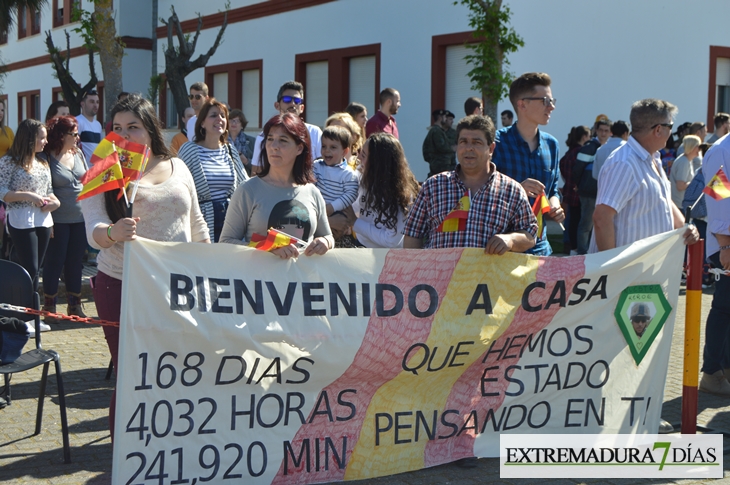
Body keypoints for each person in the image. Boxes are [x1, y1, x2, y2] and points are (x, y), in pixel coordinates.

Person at [80, 94, 210, 437]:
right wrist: (111, 232)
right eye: (117, 128)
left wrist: (210, 269)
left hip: (178, 287)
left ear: (151, 130)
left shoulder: (178, 166)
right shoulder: (105, 165)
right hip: (122, 284)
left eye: (133, 127)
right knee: (133, 376)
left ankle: (170, 450)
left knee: (178, 372)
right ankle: (128, 456)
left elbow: (197, 225)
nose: (124, 134)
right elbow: (92, 228)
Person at [590, 98, 699, 433]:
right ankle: (606, 424)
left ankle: (631, 418)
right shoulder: (624, 162)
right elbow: (602, 216)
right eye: (669, 129)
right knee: (618, 353)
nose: (673, 136)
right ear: (656, 129)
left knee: (637, 351)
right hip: (626, 280)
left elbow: (663, 201)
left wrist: (683, 227)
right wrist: (613, 270)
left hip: (646, 280)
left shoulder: (649, 159)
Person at [403, 114, 537, 252]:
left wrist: (510, 240)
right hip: (440, 273)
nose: (468, 148)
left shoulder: (512, 190)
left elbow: (530, 234)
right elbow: (413, 234)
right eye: (463, 142)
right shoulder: (433, 186)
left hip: (488, 273)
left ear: (491, 149)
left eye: (476, 142)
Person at [220, 113, 334, 259]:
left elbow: (327, 236)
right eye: (270, 139)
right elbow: (225, 242)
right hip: (258, 280)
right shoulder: (247, 190)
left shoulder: (312, 192)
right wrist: (267, 249)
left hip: (303, 280)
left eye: (283, 140)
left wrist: (325, 242)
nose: (274, 146)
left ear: (299, 148)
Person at [491, 72, 565, 255]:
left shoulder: (552, 144)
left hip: (541, 248)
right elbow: (482, 190)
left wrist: (555, 205)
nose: (552, 107)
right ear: (522, 104)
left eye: (552, 100)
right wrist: (517, 191)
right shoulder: (497, 142)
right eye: (545, 101)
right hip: (505, 248)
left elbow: (553, 189)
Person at [0, 119, 60, 291]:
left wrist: (55, 202)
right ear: (29, 138)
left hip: (43, 219)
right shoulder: (8, 162)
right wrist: (28, 196)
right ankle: (24, 310)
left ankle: (32, 311)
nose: (45, 142)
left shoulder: (42, 163)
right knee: (30, 268)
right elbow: (2, 191)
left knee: (35, 271)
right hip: (20, 217)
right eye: (42, 138)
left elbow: (49, 190)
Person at [177, 99, 248, 243]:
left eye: (223, 115)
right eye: (213, 115)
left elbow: (245, 184)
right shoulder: (189, 149)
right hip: (202, 220)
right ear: (202, 122)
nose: (219, 119)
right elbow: (178, 185)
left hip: (230, 219)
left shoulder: (230, 150)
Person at [41, 116, 88, 322]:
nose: (77, 138)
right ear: (61, 135)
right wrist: (48, 217)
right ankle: (49, 308)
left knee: (75, 262)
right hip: (57, 219)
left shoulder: (78, 153)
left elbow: (87, 180)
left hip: (80, 217)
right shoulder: (46, 157)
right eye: (74, 134)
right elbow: (44, 189)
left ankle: (74, 306)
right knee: (54, 261)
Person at [698, 132, 730, 396]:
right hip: (726, 243)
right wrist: (725, 245)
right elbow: (718, 198)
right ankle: (712, 372)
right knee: (723, 307)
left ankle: (726, 367)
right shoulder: (720, 150)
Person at [350, 133, 419, 248]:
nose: (358, 159)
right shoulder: (360, 178)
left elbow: (391, 241)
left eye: (363, 155)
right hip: (362, 250)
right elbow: (353, 209)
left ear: (377, 163)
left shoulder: (401, 194)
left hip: (389, 258)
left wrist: (355, 222)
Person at [251, 81, 323, 174]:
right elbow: (256, 171)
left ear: (302, 108)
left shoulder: (314, 132)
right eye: (287, 99)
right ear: (277, 105)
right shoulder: (264, 135)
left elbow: (323, 168)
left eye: (297, 101)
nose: (292, 104)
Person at [573, 118, 611, 255]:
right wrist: (577, 185)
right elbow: (577, 169)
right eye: (601, 130)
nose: (603, 133)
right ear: (596, 131)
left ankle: (594, 253)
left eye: (606, 130)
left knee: (599, 225)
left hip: (604, 193)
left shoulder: (610, 149)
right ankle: (583, 253)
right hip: (589, 192)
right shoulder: (589, 148)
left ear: (610, 133)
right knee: (586, 225)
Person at [313, 125, 359, 220]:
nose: (327, 150)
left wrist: (332, 207)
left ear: (344, 151)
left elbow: (351, 194)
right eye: (324, 146)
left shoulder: (348, 174)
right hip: (316, 211)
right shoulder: (316, 166)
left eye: (333, 147)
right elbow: (309, 184)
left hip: (337, 213)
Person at [559, 125, 591, 255]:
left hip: (569, 192)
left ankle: (571, 248)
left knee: (572, 222)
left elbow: (563, 171)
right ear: (584, 137)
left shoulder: (568, 154)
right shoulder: (581, 153)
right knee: (582, 224)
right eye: (589, 136)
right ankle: (579, 248)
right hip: (580, 193)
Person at [669, 135, 701, 208]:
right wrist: (694, 183)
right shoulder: (684, 162)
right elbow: (680, 186)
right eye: (698, 146)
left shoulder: (687, 160)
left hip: (681, 203)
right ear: (691, 146)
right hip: (680, 205)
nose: (700, 149)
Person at [422, 109, 456, 177]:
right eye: (444, 117)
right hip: (440, 168)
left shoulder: (438, 130)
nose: (445, 119)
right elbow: (442, 147)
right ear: (440, 118)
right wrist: (452, 148)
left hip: (443, 167)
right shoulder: (436, 131)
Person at [76, 90, 102, 167]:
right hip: (83, 170)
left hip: (95, 170)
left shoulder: (98, 125)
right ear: (83, 104)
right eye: (92, 102)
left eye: (97, 102)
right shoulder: (77, 121)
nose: (95, 105)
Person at [228, 109, 256, 175]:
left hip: (245, 178)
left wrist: (246, 161)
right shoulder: (220, 140)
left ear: (242, 125)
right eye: (231, 120)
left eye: (237, 121)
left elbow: (259, 167)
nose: (233, 123)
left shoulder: (252, 141)